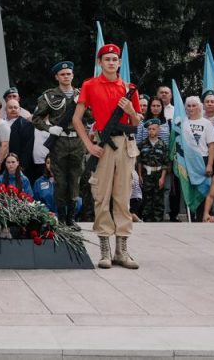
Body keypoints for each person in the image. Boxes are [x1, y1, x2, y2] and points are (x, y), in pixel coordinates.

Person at [72, 43, 142, 269]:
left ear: (120, 63)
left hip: (125, 145)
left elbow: (137, 122)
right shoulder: (90, 85)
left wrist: (131, 112)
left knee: (123, 196)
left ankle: (121, 250)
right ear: (100, 63)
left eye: (115, 59)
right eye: (107, 59)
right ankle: (104, 249)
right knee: (102, 195)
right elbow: (76, 119)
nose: (111, 62)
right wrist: (88, 146)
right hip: (102, 144)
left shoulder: (129, 88)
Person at [32, 61, 86, 226]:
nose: (66, 76)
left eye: (69, 73)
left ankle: (71, 217)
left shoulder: (81, 94)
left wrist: (86, 105)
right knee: (61, 181)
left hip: (77, 141)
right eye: (62, 74)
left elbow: (90, 116)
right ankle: (62, 217)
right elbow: (36, 118)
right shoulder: (49, 96)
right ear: (57, 77)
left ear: (73, 75)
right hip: (59, 141)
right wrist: (50, 128)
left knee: (75, 180)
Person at [183, 96, 214, 221]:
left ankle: (202, 217)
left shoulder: (206, 123)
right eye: (189, 106)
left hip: (202, 160)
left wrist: (209, 164)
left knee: (203, 190)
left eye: (194, 105)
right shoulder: (182, 123)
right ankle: (190, 218)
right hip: (187, 161)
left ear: (199, 107)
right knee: (189, 191)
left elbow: (211, 146)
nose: (191, 108)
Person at [137, 119, 168, 223]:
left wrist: (162, 178)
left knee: (158, 199)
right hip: (146, 175)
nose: (151, 131)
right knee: (146, 199)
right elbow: (139, 161)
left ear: (158, 130)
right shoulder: (142, 144)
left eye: (153, 129)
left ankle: (158, 220)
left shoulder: (163, 144)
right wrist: (140, 175)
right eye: (149, 129)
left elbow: (165, 163)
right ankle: (147, 220)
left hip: (158, 174)